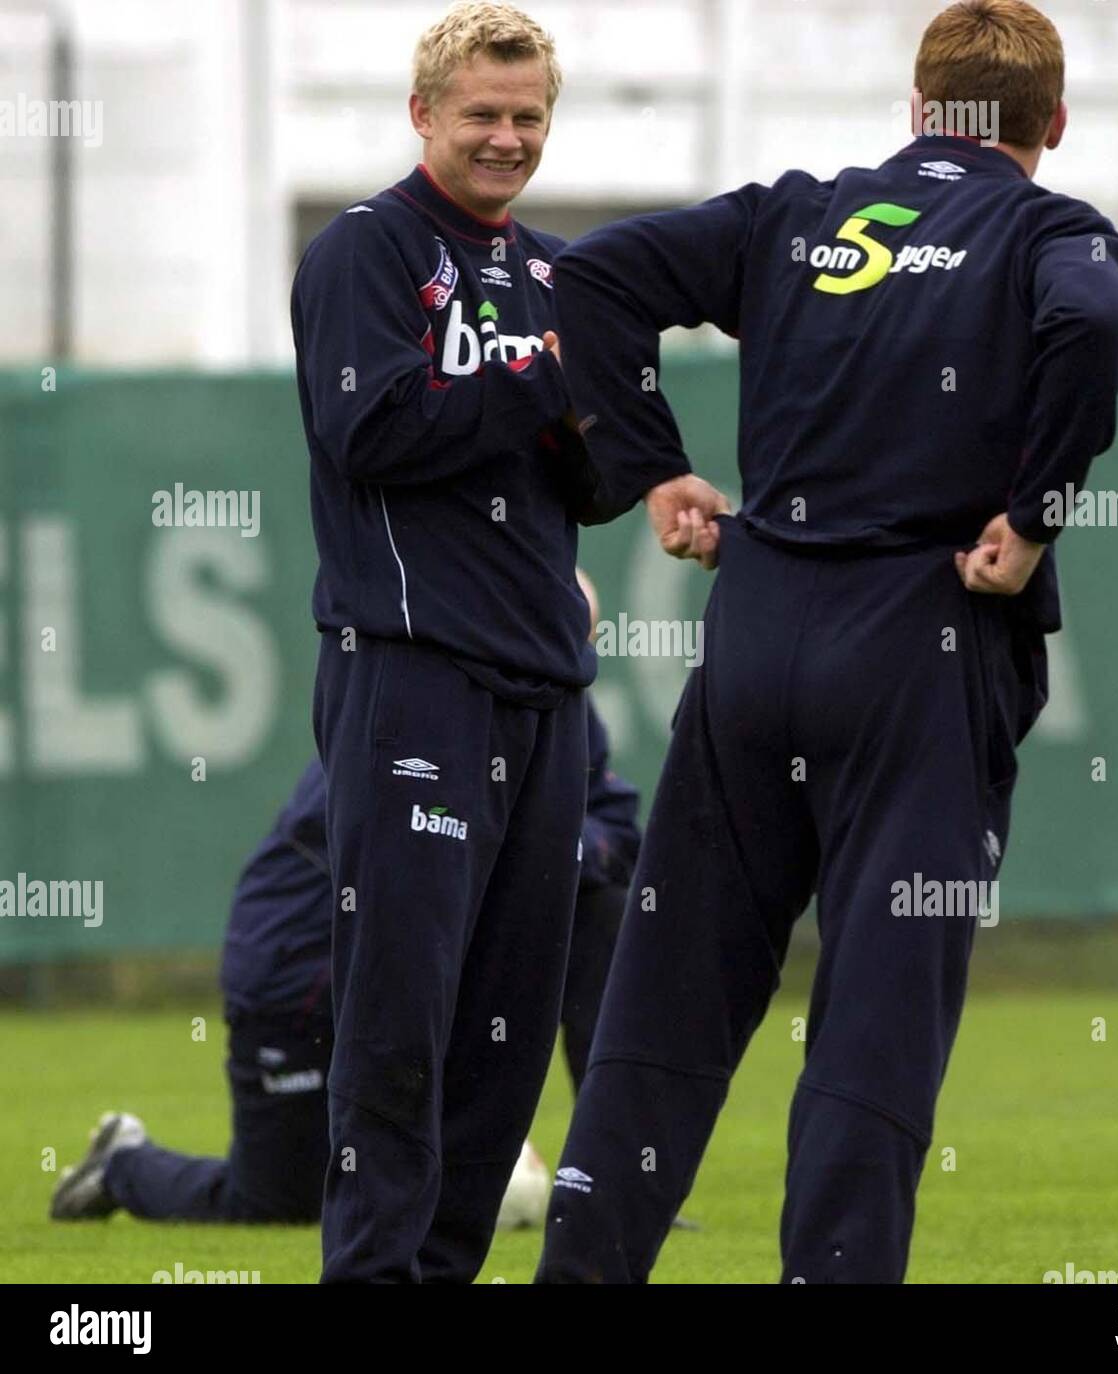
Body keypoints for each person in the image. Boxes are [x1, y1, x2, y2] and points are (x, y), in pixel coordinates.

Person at [536, 0, 1118, 1284]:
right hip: (921, 639)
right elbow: (1092, 327)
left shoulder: (798, 214)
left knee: (669, 996)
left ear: (919, 108)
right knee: (873, 1015)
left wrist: (653, 469)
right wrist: (1035, 515)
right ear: (1051, 124)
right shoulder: (1049, 228)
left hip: (757, 628)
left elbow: (589, 278)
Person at [288, 2, 703, 1282]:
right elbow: (375, 431)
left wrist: (620, 438)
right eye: (482, 113)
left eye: (528, 116)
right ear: (424, 114)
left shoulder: (556, 275)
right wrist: (548, 374)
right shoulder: (362, 250)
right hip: (413, 673)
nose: (507, 137)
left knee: (508, 1030)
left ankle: (444, 1270)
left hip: (543, 691)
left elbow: (580, 483)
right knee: (400, 1017)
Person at [48, 693, 639, 1226]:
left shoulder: (563, 709)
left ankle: (608, 1184)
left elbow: (616, 829)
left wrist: (559, 845)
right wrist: (548, 842)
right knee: (275, 1204)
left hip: (411, 967)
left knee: (599, 908)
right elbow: (431, 848)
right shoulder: (410, 712)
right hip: (299, 981)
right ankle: (123, 1164)